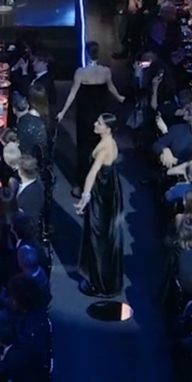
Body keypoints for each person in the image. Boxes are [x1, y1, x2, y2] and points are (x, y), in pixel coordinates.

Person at [74, 113, 124, 298]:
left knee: (98, 237)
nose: (95, 124)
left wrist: (84, 198)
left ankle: (100, 284)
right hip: (109, 190)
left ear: (108, 129)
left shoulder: (104, 148)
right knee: (104, 237)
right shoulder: (111, 142)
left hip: (101, 195)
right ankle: (102, 280)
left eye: (100, 123)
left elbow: (92, 173)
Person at [57, 44, 122, 168]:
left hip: (84, 114)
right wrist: (119, 97)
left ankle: (84, 176)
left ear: (86, 53)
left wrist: (63, 112)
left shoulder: (81, 72)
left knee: (83, 146)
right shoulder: (106, 71)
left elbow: (73, 94)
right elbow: (111, 88)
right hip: (100, 113)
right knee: (99, 142)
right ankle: (98, 173)